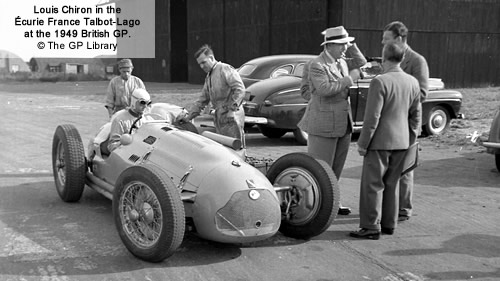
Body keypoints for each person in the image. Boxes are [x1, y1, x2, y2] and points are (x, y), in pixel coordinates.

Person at [350, 43, 421, 239]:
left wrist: (363, 143)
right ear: (402, 58)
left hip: (380, 142)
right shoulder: (413, 82)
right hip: (402, 141)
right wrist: (411, 140)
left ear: (384, 57)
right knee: (393, 183)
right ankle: (389, 224)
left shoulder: (380, 82)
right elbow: (416, 117)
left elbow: (372, 117)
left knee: (372, 185)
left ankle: (371, 226)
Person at [297, 26, 367, 215]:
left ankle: (332, 202)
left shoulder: (341, 61)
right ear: (330, 45)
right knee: (321, 169)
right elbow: (325, 90)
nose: (345, 49)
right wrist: (349, 80)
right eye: (342, 45)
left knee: (336, 168)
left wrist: (352, 45)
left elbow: (362, 62)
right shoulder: (317, 64)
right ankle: (318, 207)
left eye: (346, 44)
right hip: (323, 125)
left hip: (344, 123)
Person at [382, 21, 429, 222]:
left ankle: (403, 208)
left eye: (386, 39)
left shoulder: (417, 61)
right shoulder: (388, 60)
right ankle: (389, 207)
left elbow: (423, 93)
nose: (382, 42)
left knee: (405, 168)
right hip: (389, 124)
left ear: (399, 39)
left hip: (407, 124)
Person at [183, 44, 246, 146]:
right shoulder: (209, 77)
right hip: (219, 117)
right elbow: (202, 100)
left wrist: (232, 110)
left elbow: (240, 89)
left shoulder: (225, 69)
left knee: (235, 148)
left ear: (211, 58)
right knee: (224, 149)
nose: (202, 66)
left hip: (232, 117)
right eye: (199, 64)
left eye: (204, 62)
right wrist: (188, 117)